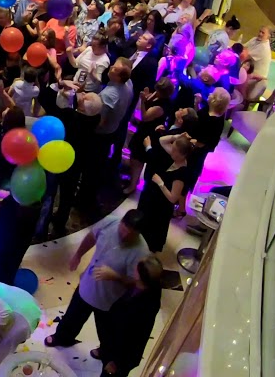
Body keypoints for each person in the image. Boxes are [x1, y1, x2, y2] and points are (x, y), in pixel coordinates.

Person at [45, 209, 149, 348]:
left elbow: (136, 282)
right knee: (73, 316)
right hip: (88, 283)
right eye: (123, 230)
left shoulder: (141, 252)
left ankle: (105, 351)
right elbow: (91, 237)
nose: (124, 236)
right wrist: (78, 255)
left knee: (106, 330)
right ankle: (62, 338)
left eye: (130, 235)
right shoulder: (110, 222)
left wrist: (115, 276)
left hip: (110, 298)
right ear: (121, 222)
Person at [96, 256, 164, 377]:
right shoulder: (150, 289)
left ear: (140, 276)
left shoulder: (140, 309)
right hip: (118, 347)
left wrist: (115, 362)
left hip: (121, 356)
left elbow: (130, 338)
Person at [138, 133, 193, 252]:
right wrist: (176, 137)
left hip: (161, 206)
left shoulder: (181, 173)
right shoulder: (176, 157)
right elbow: (162, 140)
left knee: (151, 230)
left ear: (182, 154)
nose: (171, 151)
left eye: (174, 150)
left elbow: (173, 198)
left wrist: (160, 183)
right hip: (153, 198)